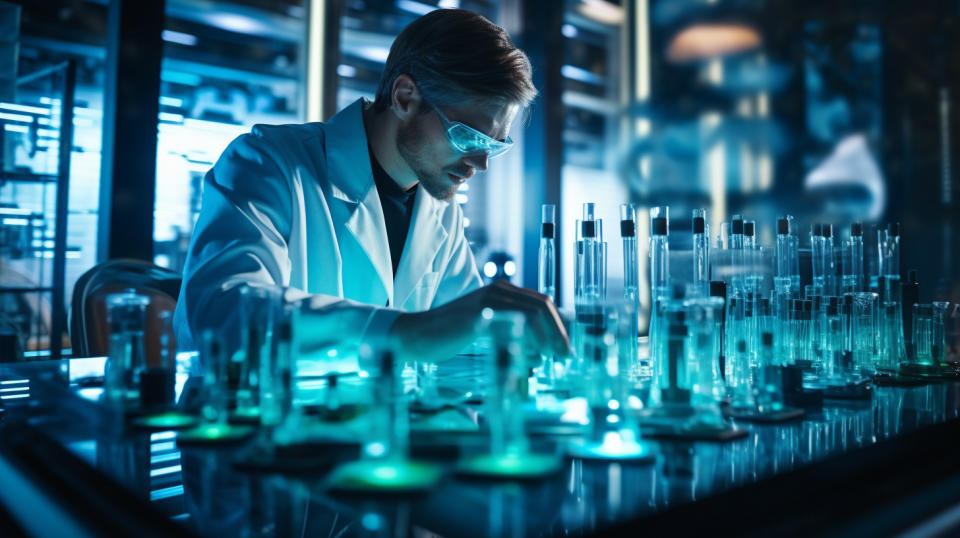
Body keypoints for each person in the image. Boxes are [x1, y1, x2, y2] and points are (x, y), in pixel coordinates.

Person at [173, 9, 569, 362]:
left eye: (494, 147)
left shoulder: (438, 207)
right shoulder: (268, 162)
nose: (481, 164)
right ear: (405, 97)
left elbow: (462, 341)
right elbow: (223, 312)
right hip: (259, 432)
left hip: (378, 435)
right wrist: (403, 333)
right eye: (468, 138)